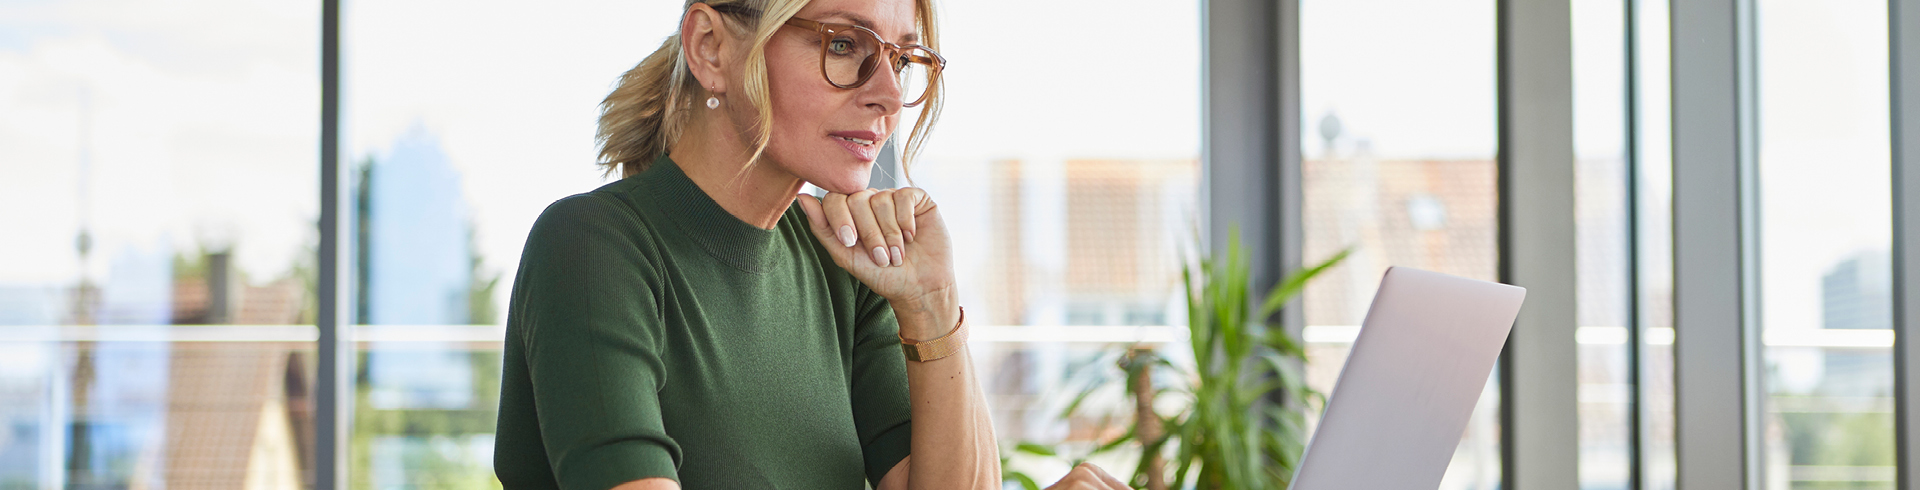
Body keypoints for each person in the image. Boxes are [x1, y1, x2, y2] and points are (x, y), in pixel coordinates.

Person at [491, 0, 1130, 488]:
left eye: (903, 60)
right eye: (845, 44)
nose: (886, 94)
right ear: (711, 48)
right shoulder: (591, 249)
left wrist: (932, 303)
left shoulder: (846, 263)